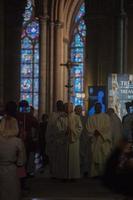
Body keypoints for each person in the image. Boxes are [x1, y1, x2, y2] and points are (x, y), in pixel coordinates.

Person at [0, 101, 26, 200]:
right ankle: (22, 185)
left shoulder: (4, 118)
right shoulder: (17, 118)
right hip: (12, 164)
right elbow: (21, 161)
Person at [86, 102, 112, 177]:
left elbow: (108, 127)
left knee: (103, 157)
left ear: (101, 108)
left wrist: (100, 132)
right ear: (95, 108)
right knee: (94, 158)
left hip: (103, 141)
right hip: (94, 140)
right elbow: (88, 128)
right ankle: (94, 174)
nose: (98, 108)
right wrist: (94, 132)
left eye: (99, 107)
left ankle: (103, 174)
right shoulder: (91, 117)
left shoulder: (106, 117)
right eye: (96, 107)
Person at [45, 100, 65, 177]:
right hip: (54, 140)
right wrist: (49, 138)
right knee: (53, 158)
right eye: (58, 105)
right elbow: (49, 128)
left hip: (62, 140)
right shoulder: (53, 115)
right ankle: (54, 173)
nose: (60, 106)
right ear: (56, 106)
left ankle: (61, 173)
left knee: (61, 158)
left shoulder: (65, 115)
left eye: (61, 105)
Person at [64, 103, 82, 179]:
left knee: (73, 158)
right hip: (64, 141)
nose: (68, 109)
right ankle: (64, 175)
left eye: (69, 107)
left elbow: (80, 128)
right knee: (65, 158)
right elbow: (58, 128)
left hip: (74, 141)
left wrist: (72, 131)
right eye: (66, 107)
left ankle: (73, 176)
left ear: (72, 108)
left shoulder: (76, 117)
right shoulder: (62, 117)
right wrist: (64, 131)